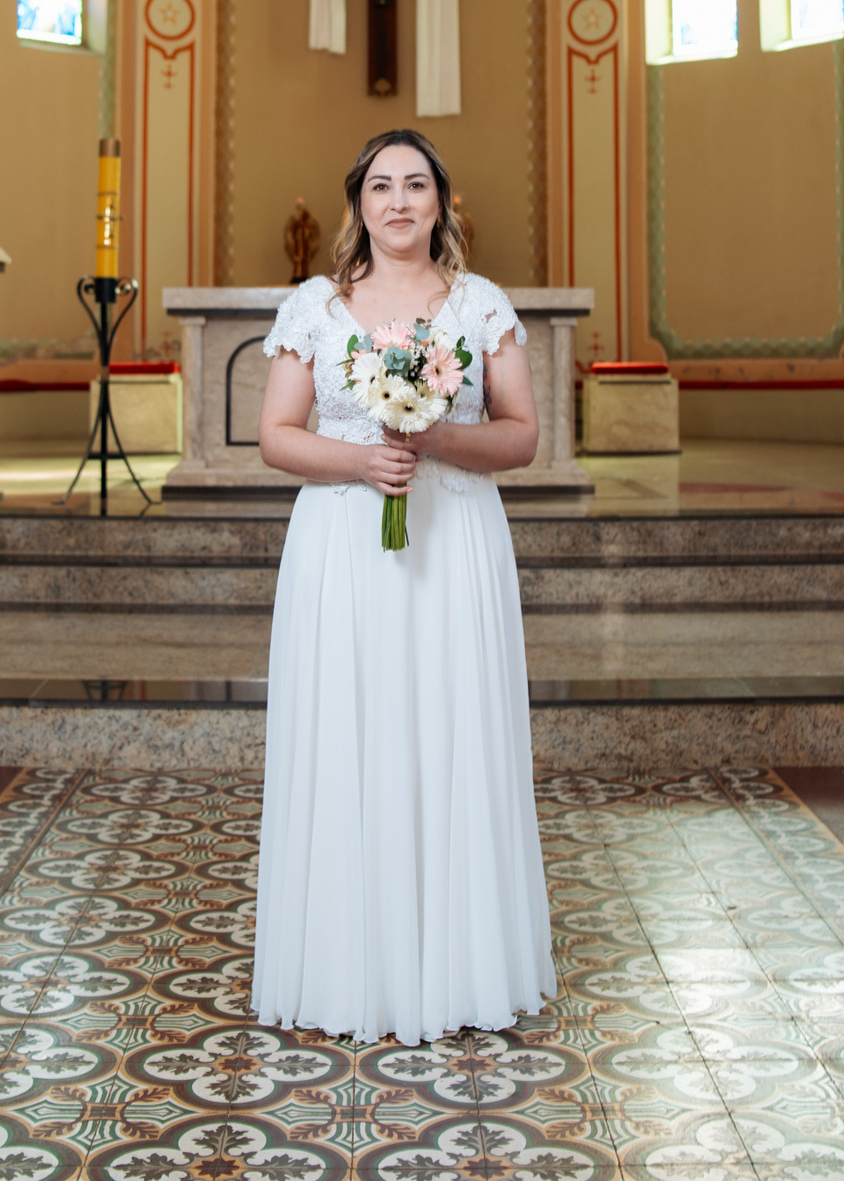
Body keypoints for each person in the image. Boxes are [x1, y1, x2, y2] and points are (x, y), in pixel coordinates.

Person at [252, 128, 555, 1046]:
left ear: (440, 202)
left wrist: (432, 438)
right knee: (355, 731)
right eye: (380, 186)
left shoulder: (479, 305)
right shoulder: (316, 305)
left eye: (415, 185)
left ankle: (458, 965)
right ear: (357, 204)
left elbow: (521, 434)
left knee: (447, 732)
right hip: (343, 550)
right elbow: (275, 434)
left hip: (453, 543)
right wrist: (361, 459)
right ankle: (353, 966)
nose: (397, 202)